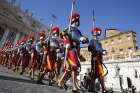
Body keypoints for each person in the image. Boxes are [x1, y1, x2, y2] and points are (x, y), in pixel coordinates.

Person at [58, 12, 88, 92]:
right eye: (75, 20)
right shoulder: (68, 28)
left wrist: (84, 39)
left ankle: (60, 82)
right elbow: (62, 35)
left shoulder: (78, 31)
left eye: (78, 21)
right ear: (72, 21)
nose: (77, 22)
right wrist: (67, 41)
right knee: (74, 66)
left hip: (76, 51)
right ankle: (74, 86)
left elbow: (80, 38)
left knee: (72, 68)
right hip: (70, 50)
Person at [88, 27, 106, 93]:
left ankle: (103, 89)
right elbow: (89, 48)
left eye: (98, 34)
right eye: (96, 34)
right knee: (94, 74)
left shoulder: (99, 43)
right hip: (94, 59)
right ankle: (92, 88)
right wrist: (91, 48)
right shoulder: (92, 41)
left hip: (100, 59)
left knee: (100, 74)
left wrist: (103, 51)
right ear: (94, 34)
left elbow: (100, 50)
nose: (98, 36)